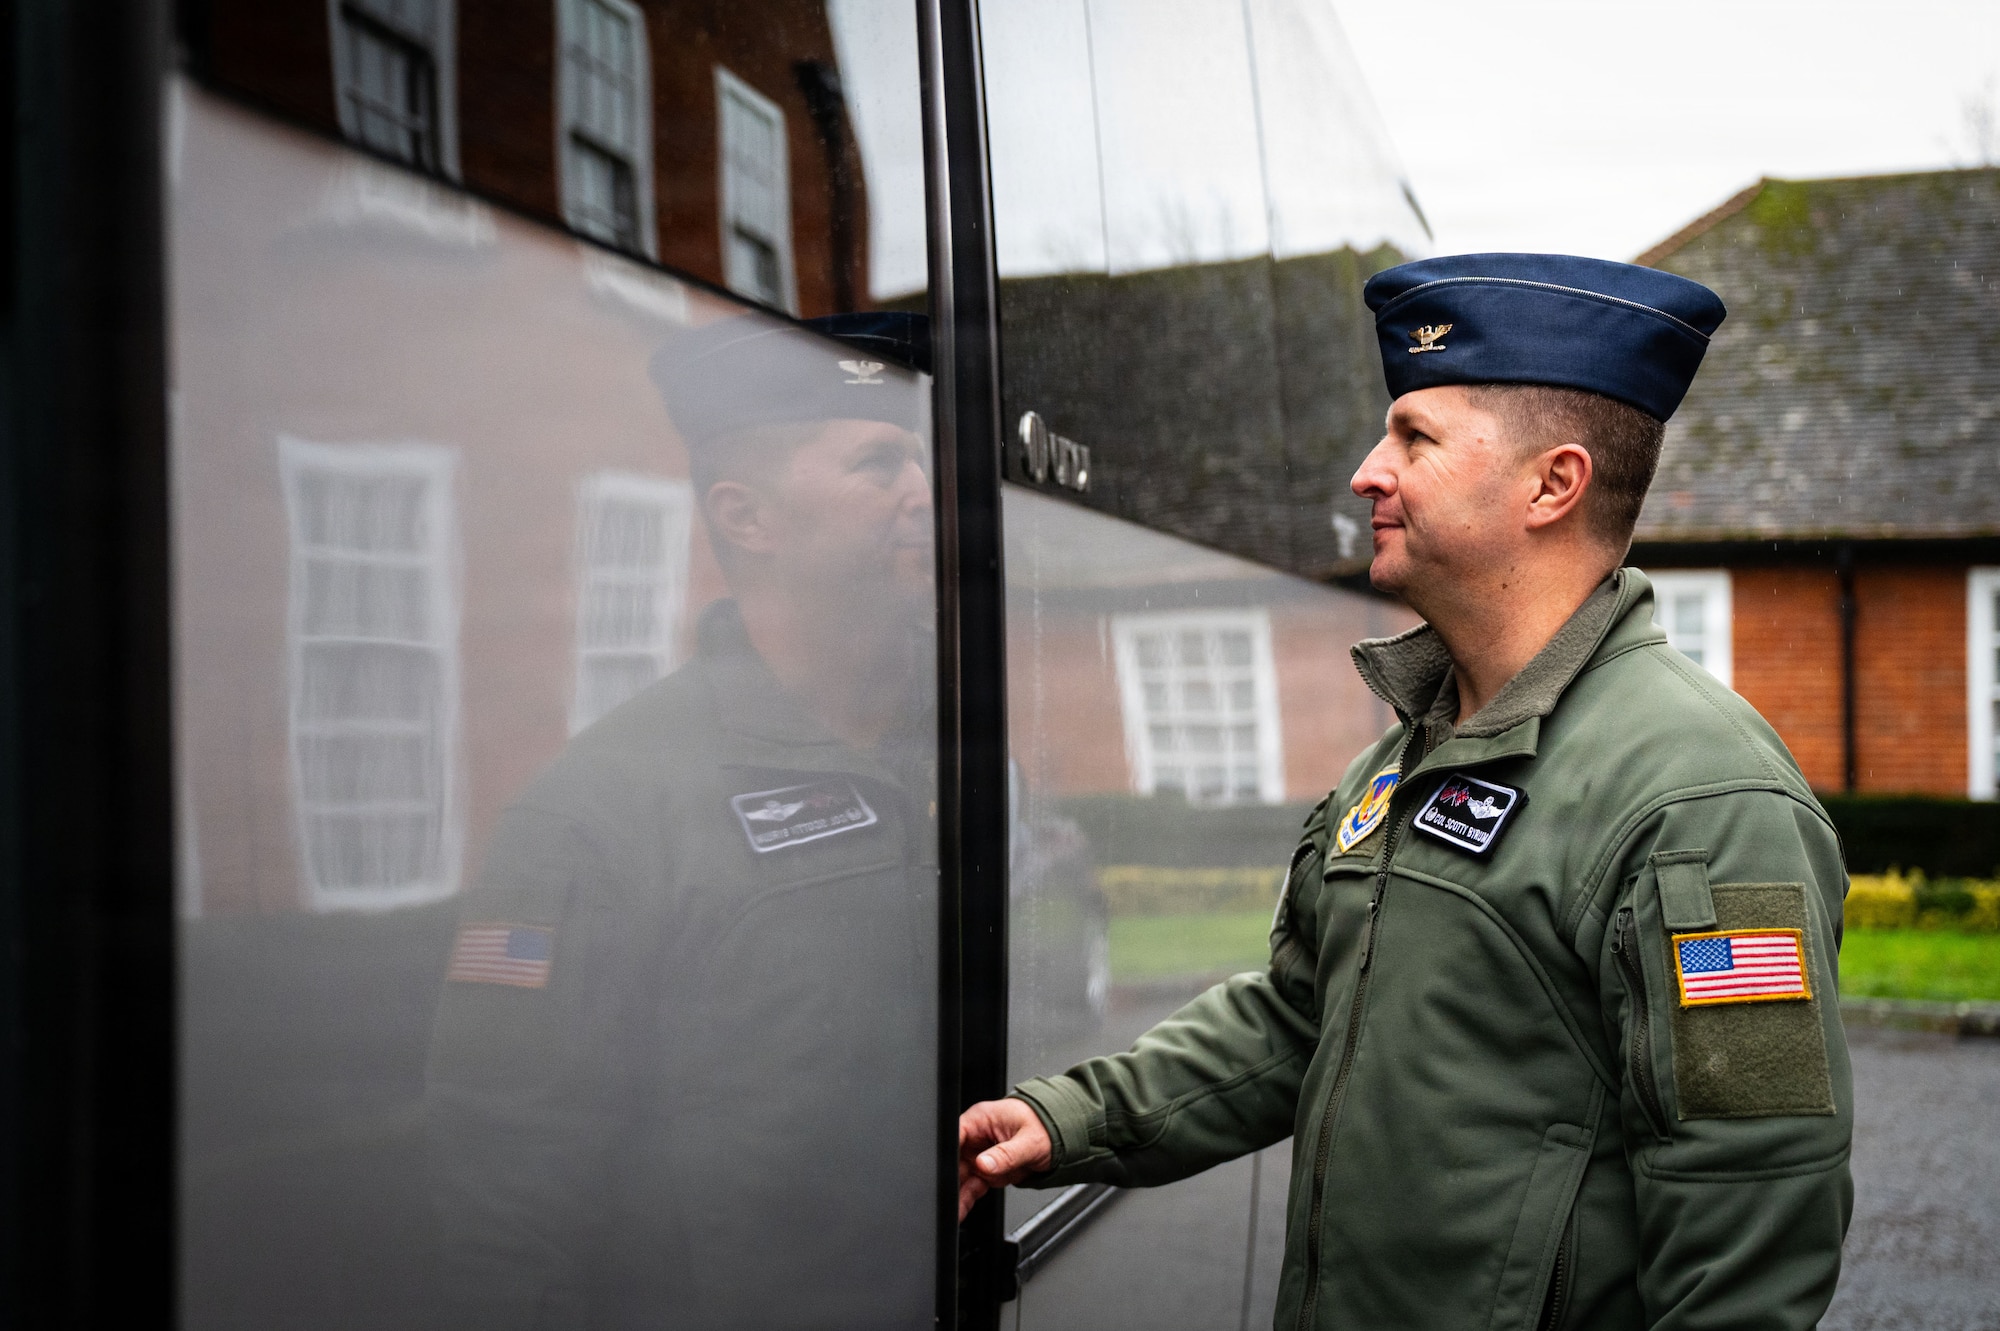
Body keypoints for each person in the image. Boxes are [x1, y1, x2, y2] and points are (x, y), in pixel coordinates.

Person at [959, 254, 1853, 1329]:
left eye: (1413, 438)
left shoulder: (1699, 798)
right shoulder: (1406, 753)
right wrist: (1067, 1118)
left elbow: (1748, 1213)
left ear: (1550, 483)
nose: (1365, 472)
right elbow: (1300, 1015)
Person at [425, 316, 939, 1329]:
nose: (925, 494)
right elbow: (504, 1196)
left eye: (920, 460)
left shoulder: (965, 737)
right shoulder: (596, 812)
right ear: (747, 517)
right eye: (880, 464)